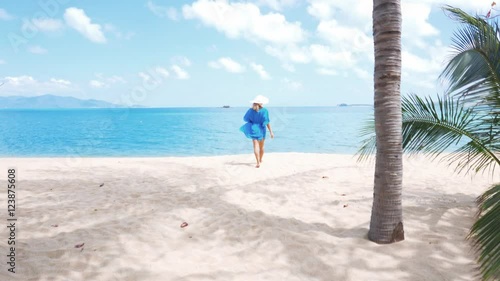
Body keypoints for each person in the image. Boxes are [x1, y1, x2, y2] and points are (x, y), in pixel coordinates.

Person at [240, 95, 274, 168]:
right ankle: (261, 160)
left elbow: (246, 119)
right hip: (261, 129)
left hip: (253, 128)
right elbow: (267, 122)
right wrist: (271, 132)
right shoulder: (265, 110)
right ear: (261, 103)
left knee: (255, 146)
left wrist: (253, 122)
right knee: (261, 147)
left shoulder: (250, 110)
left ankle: (257, 162)